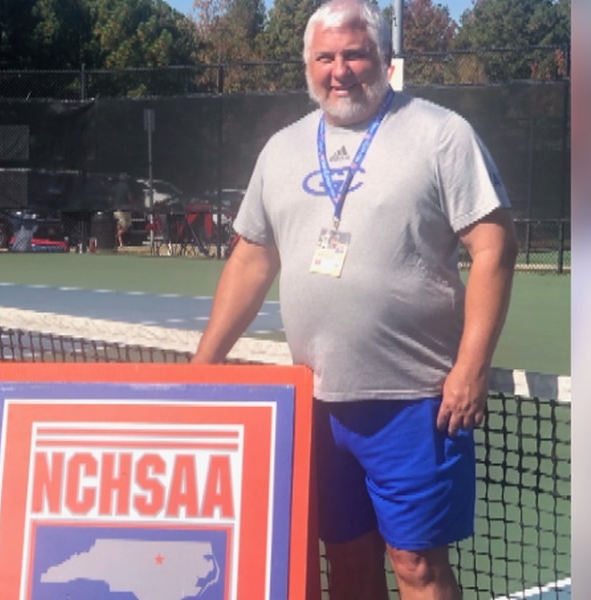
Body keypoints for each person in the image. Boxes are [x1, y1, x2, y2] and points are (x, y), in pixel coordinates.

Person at [190, 1, 518, 599]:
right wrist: (202, 367)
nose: (340, 70)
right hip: (313, 403)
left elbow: (494, 246)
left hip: (415, 403)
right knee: (344, 563)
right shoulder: (282, 150)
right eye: (325, 57)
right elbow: (250, 258)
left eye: (354, 54)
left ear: (384, 61)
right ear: (308, 66)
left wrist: (470, 369)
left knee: (417, 566)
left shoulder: (440, 133)